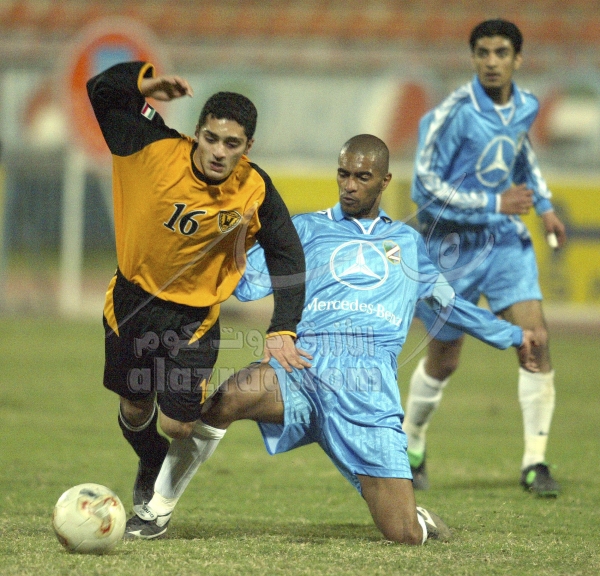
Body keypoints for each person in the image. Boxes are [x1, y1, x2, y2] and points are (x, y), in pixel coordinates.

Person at [124, 134, 539, 543]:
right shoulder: (305, 230)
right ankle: (156, 512)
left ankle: (417, 520)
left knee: (402, 533)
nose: (349, 185)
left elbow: (450, 304)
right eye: (343, 174)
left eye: (362, 177)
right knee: (227, 398)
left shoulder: (407, 243)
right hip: (301, 368)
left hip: (366, 388)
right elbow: (242, 279)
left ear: (384, 181)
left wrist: (513, 335)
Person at [87, 61, 308, 520]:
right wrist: (144, 81)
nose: (219, 152)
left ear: (248, 147)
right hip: (131, 302)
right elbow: (101, 91)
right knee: (135, 409)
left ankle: (162, 467)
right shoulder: (150, 146)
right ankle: (150, 458)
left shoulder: (255, 189)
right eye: (211, 138)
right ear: (197, 133)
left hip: (194, 319)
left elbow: (287, 254)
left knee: (179, 425)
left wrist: (283, 326)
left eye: (232, 144)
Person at [404, 19, 566, 496]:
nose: (491, 62)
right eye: (483, 53)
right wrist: (495, 201)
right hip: (450, 249)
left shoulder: (526, 105)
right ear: (473, 57)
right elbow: (423, 189)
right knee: (444, 360)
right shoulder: (450, 115)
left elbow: (521, 154)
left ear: (518, 59)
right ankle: (411, 443)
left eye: (501, 53)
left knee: (535, 340)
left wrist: (544, 205)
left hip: (502, 242)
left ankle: (535, 463)